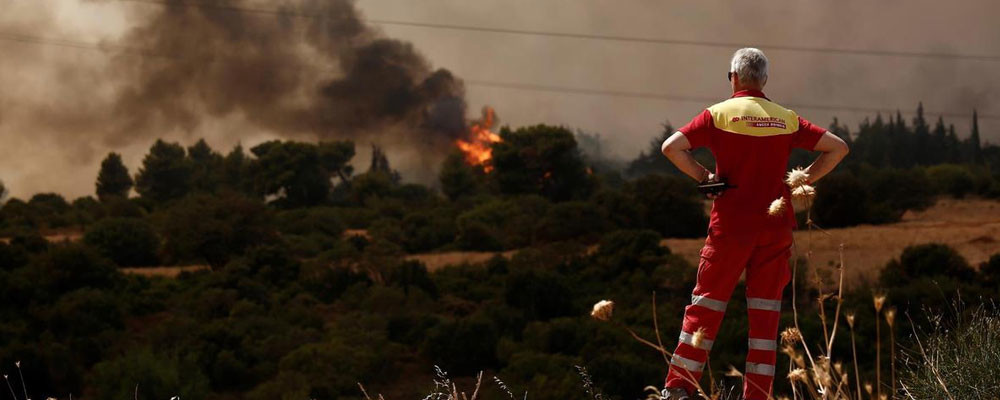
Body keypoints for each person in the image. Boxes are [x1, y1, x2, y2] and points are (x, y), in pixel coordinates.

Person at [659, 48, 849, 400]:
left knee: (705, 307)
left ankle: (679, 388)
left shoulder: (718, 114)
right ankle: (757, 394)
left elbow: (671, 147)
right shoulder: (785, 119)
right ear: (765, 80)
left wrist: (705, 176)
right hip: (774, 230)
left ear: (733, 77)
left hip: (729, 227)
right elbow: (838, 148)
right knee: (765, 317)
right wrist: (801, 179)